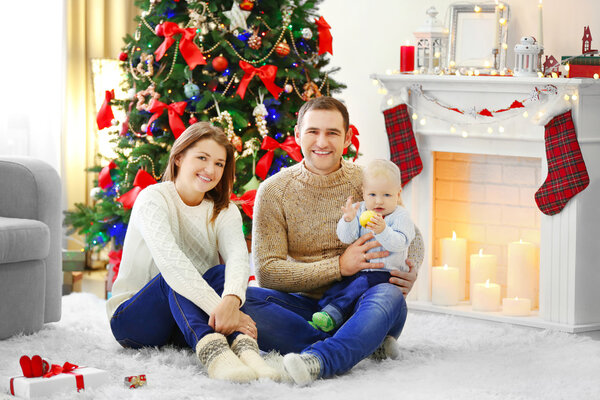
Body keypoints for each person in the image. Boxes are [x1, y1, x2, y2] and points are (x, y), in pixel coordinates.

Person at [244, 97, 424, 386]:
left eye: (332, 133)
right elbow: (266, 272)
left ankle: (320, 360)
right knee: (241, 299)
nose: (322, 142)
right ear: (297, 135)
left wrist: (409, 272)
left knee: (389, 295)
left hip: (364, 301)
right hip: (305, 307)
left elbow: (412, 237)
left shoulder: (364, 180)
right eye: (313, 131)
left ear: (348, 138)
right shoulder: (274, 191)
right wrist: (339, 266)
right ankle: (359, 342)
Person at [106, 122, 279, 383]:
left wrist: (231, 302)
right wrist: (229, 314)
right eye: (202, 158)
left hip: (183, 320)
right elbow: (173, 267)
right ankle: (215, 353)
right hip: (133, 321)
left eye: (220, 164)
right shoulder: (153, 198)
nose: (211, 170)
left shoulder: (225, 210)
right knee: (172, 276)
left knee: (221, 275)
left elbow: (238, 259)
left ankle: (246, 350)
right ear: (178, 158)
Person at [309, 159, 416, 333]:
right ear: (364, 192)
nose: (379, 201)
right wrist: (348, 220)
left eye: (387, 195)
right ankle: (324, 314)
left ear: (398, 193)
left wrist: (383, 230)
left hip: (385, 275)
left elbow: (401, 243)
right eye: (372, 195)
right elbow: (346, 238)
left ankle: (333, 315)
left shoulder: (400, 216)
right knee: (339, 288)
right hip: (359, 271)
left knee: (358, 286)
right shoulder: (360, 210)